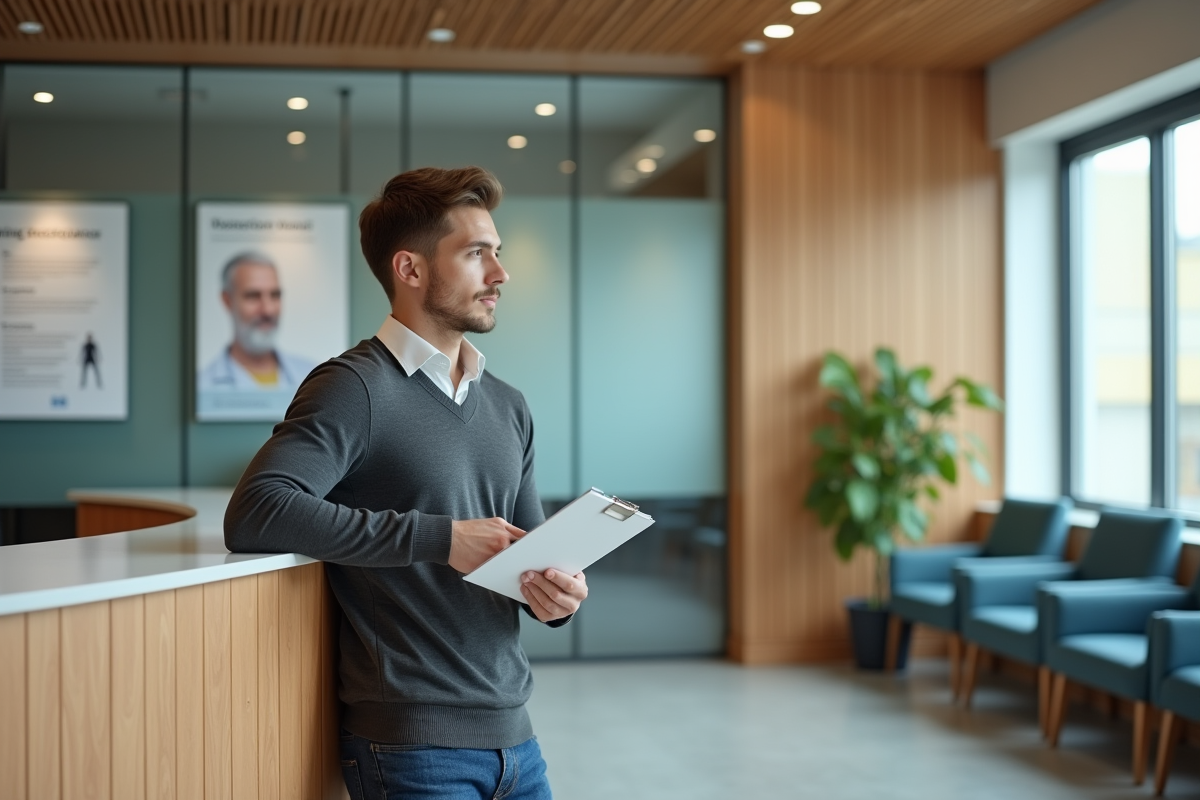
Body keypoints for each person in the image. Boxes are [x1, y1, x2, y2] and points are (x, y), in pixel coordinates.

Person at [224, 166, 586, 800]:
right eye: (476, 254)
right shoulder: (353, 387)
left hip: (517, 740)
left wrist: (554, 593)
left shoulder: (509, 404)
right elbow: (257, 512)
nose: (500, 274)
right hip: (411, 746)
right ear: (411, 270)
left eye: (496, 253)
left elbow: (530, 553)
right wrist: (440, 538)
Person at [197, 251, 315, 392]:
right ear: (227, 300)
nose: (268, 310)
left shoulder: (313, 378)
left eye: (275, 295)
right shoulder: (201, 385)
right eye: (253, 296)